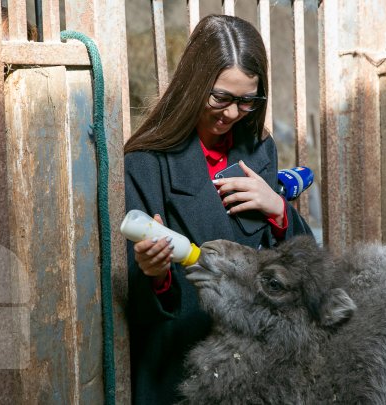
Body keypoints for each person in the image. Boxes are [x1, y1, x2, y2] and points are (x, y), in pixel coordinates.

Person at [123, 14, 314, 404]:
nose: (231, 113)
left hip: (254, 364)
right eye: (220, 98)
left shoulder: (258, 150)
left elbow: (303, 269)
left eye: (247, 100)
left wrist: (278, 209)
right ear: (194, 84)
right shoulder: (146, 163)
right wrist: (157, 275)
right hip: (180, 364)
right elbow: (137, 308)